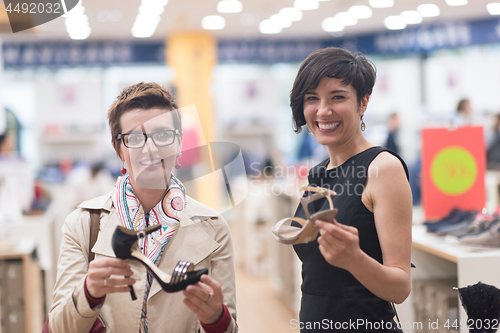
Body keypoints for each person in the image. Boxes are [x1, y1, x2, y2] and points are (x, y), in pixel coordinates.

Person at [48, 82, 237, 333]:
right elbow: (59, 328)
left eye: (162, 135)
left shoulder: (213, 227)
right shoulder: (83, 223)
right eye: (135, 137)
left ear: (179, 143)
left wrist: (216, 319)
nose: (150, 148)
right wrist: (88, 294)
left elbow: (231, 328)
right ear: (119, 150)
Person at [289, 47, 412, 332]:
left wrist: (355, 260)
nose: (322, 110)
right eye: (312, 99)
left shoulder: (383, 168)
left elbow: (401, 287)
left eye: (337, 97)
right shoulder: (319, 173)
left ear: (363, 102)